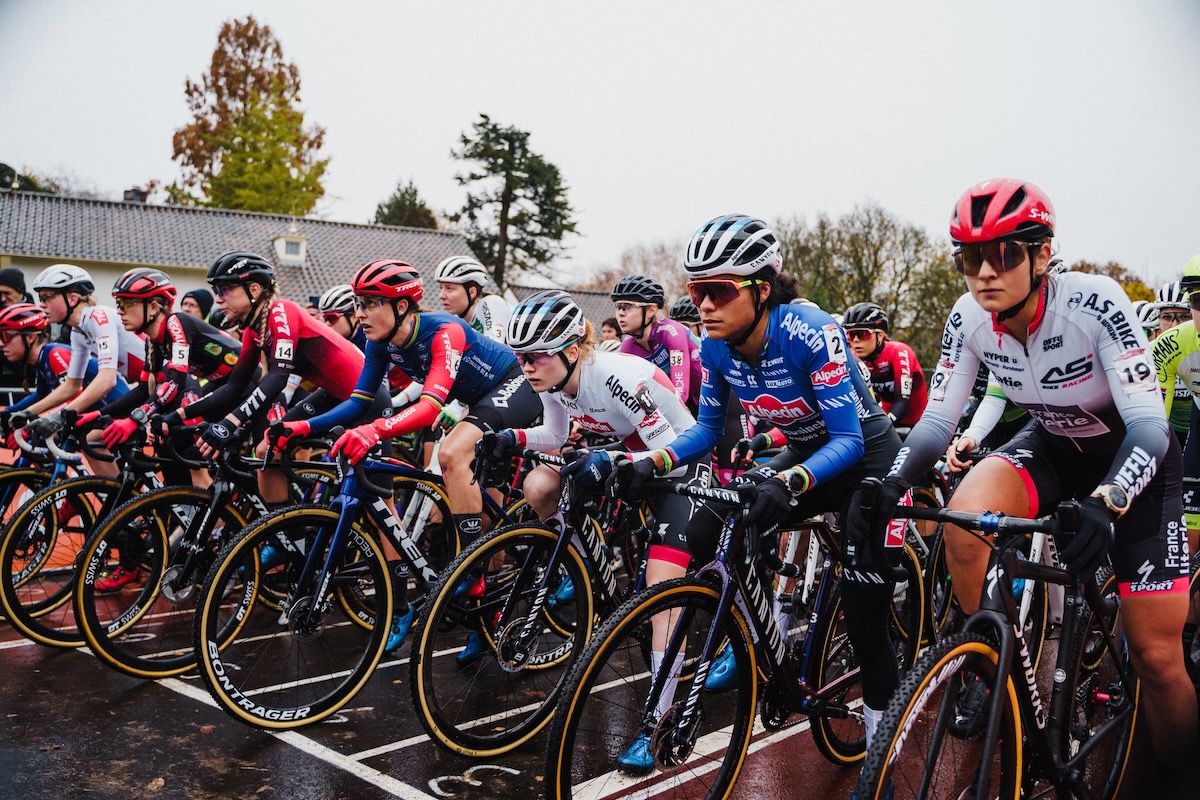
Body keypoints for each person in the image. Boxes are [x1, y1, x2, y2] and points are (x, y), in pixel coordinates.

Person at [853, 178, 1196, 769]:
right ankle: (993, 671)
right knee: (962, 526)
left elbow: (1149, 426)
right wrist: (891, 484)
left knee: (1157, 658)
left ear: (1042, 254)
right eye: (969, 257)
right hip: (1052, 442)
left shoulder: (1095, 302)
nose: (985, 271)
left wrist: (1108, 501)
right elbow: (938, 420)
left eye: (1004, 253)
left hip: (1129, 459)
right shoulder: (968, 317)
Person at [615, 214, 906, 757]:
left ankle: (881, 750)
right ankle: (764, 640)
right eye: (695, 289)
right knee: (732, 515)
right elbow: (704, 430)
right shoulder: (716, 348)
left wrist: (790, 479)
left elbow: (847, 439)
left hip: (865, 453)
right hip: (806, 446)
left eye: (718, 290)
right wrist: (651, 464)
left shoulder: (809, 329)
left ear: (762, 289)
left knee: (866, 619)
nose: (704, 304)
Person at [481, 292, 709, 771]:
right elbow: (556, 436)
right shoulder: (553, 379)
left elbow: (670, 448)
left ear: (569, 350)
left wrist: (613, 459)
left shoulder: (614, 375)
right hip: (632, 461)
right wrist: (510, 437)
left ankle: (660, 720)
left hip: (681, 468)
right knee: (539, 482)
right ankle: (584, 567)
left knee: (660, 591)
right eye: (520, 357)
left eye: (535, 355)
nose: (525, 366)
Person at [270, 260, 542, 631]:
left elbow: (430, 404)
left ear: (401, 306)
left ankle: (471, 567)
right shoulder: (378, 342)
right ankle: (483, 609)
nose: (360, 313)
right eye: (357, 303)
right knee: (467, 477)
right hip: (473, 403)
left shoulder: (445, 330)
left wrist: (374, 432)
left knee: (450, 452)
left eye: (369, 303)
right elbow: (358, 401)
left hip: (511, 386)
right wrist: (301, 426)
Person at [20, 265, 142, 450]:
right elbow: (71, 385)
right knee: (86, 440)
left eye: (46, 297)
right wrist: (28, 413)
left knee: (89, 439)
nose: (41, 305)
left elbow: (107, 380)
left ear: (72, 298)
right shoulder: (78, 332)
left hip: (163, 386)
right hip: (145, 388)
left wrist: (59, 415)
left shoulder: (99, 317)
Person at [612, 275, 702, 409]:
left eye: (628, 306)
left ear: (651, 310)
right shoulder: (628, 346)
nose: (620, 313)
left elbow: (680, 391)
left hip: (717, 396)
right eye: (618, 307)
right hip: (686, 402)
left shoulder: (671, 332)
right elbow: (626, 392)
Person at [843, 301, 928, 428]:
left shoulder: (899, 352)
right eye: (851, 334)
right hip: (888, 417)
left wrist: (882, 428)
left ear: (880, 335)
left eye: (863, 334)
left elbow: (902, 402)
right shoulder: (854, 357)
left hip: (918, 422)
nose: (855, 340)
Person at [434, 255, 512, 343]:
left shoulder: (492, 303)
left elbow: (496, 346)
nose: (441, 295)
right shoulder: (458, 320)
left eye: (449, 288)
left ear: (472, 292)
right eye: (441, 288)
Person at [1156, 279, 1194, 445]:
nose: (1174, 325)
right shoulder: (1151, 352)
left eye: (1184, 317)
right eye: (1167, 317)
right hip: (1172, 431)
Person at [317, 284, 365, 350]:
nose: (326, 324)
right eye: (324, 319)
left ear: (354, 315)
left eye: (331, 318)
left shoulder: (371, 342)